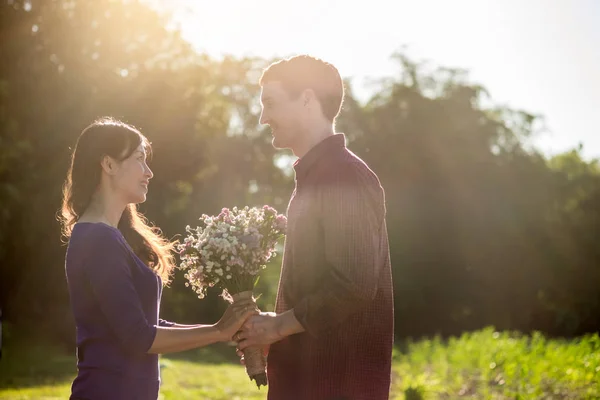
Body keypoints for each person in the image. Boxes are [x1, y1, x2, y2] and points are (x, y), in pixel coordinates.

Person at [60, 118, 257, 400]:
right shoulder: (98, 240)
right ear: (109, 165)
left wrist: (222, 329)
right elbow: (138, 336)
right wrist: (217, 331)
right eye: (140, 159)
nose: (149, 172)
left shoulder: (107, 236)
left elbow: (145, 323)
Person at [235, 55, 394, 399]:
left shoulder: (344, 175)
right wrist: (277, 327)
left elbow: (352, 284)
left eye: (271, 103)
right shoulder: (315, 177)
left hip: (335, 382)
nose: (263, 118)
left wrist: (278, 326)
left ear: (307, 100)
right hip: (306, 379)